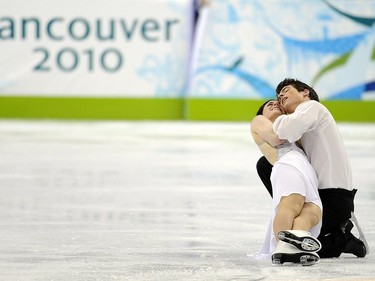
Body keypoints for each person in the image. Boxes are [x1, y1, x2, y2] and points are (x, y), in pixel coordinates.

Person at [256, 78, 369, 258]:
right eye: (278, 96)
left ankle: (341, 238)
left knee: (299, 240)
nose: (280, 96)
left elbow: (285, 131)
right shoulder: (304, 120)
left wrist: (270, 120)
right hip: (323, 196)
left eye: (286, 90)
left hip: (334, 199)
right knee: (265, 165)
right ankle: (331, 237)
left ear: (305, 92)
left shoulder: (312, 107)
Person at [251, 100, 323, 265]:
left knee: (313, 211)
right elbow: (277, 139)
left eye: (278, 104)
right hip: (287, 162)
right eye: (270, 105)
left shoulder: (289, 125)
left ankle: (294, 247)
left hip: (305, 168)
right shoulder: (259, 121)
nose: (275, 104)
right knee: (291, 205)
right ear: (262, 112)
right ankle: (281, 247)